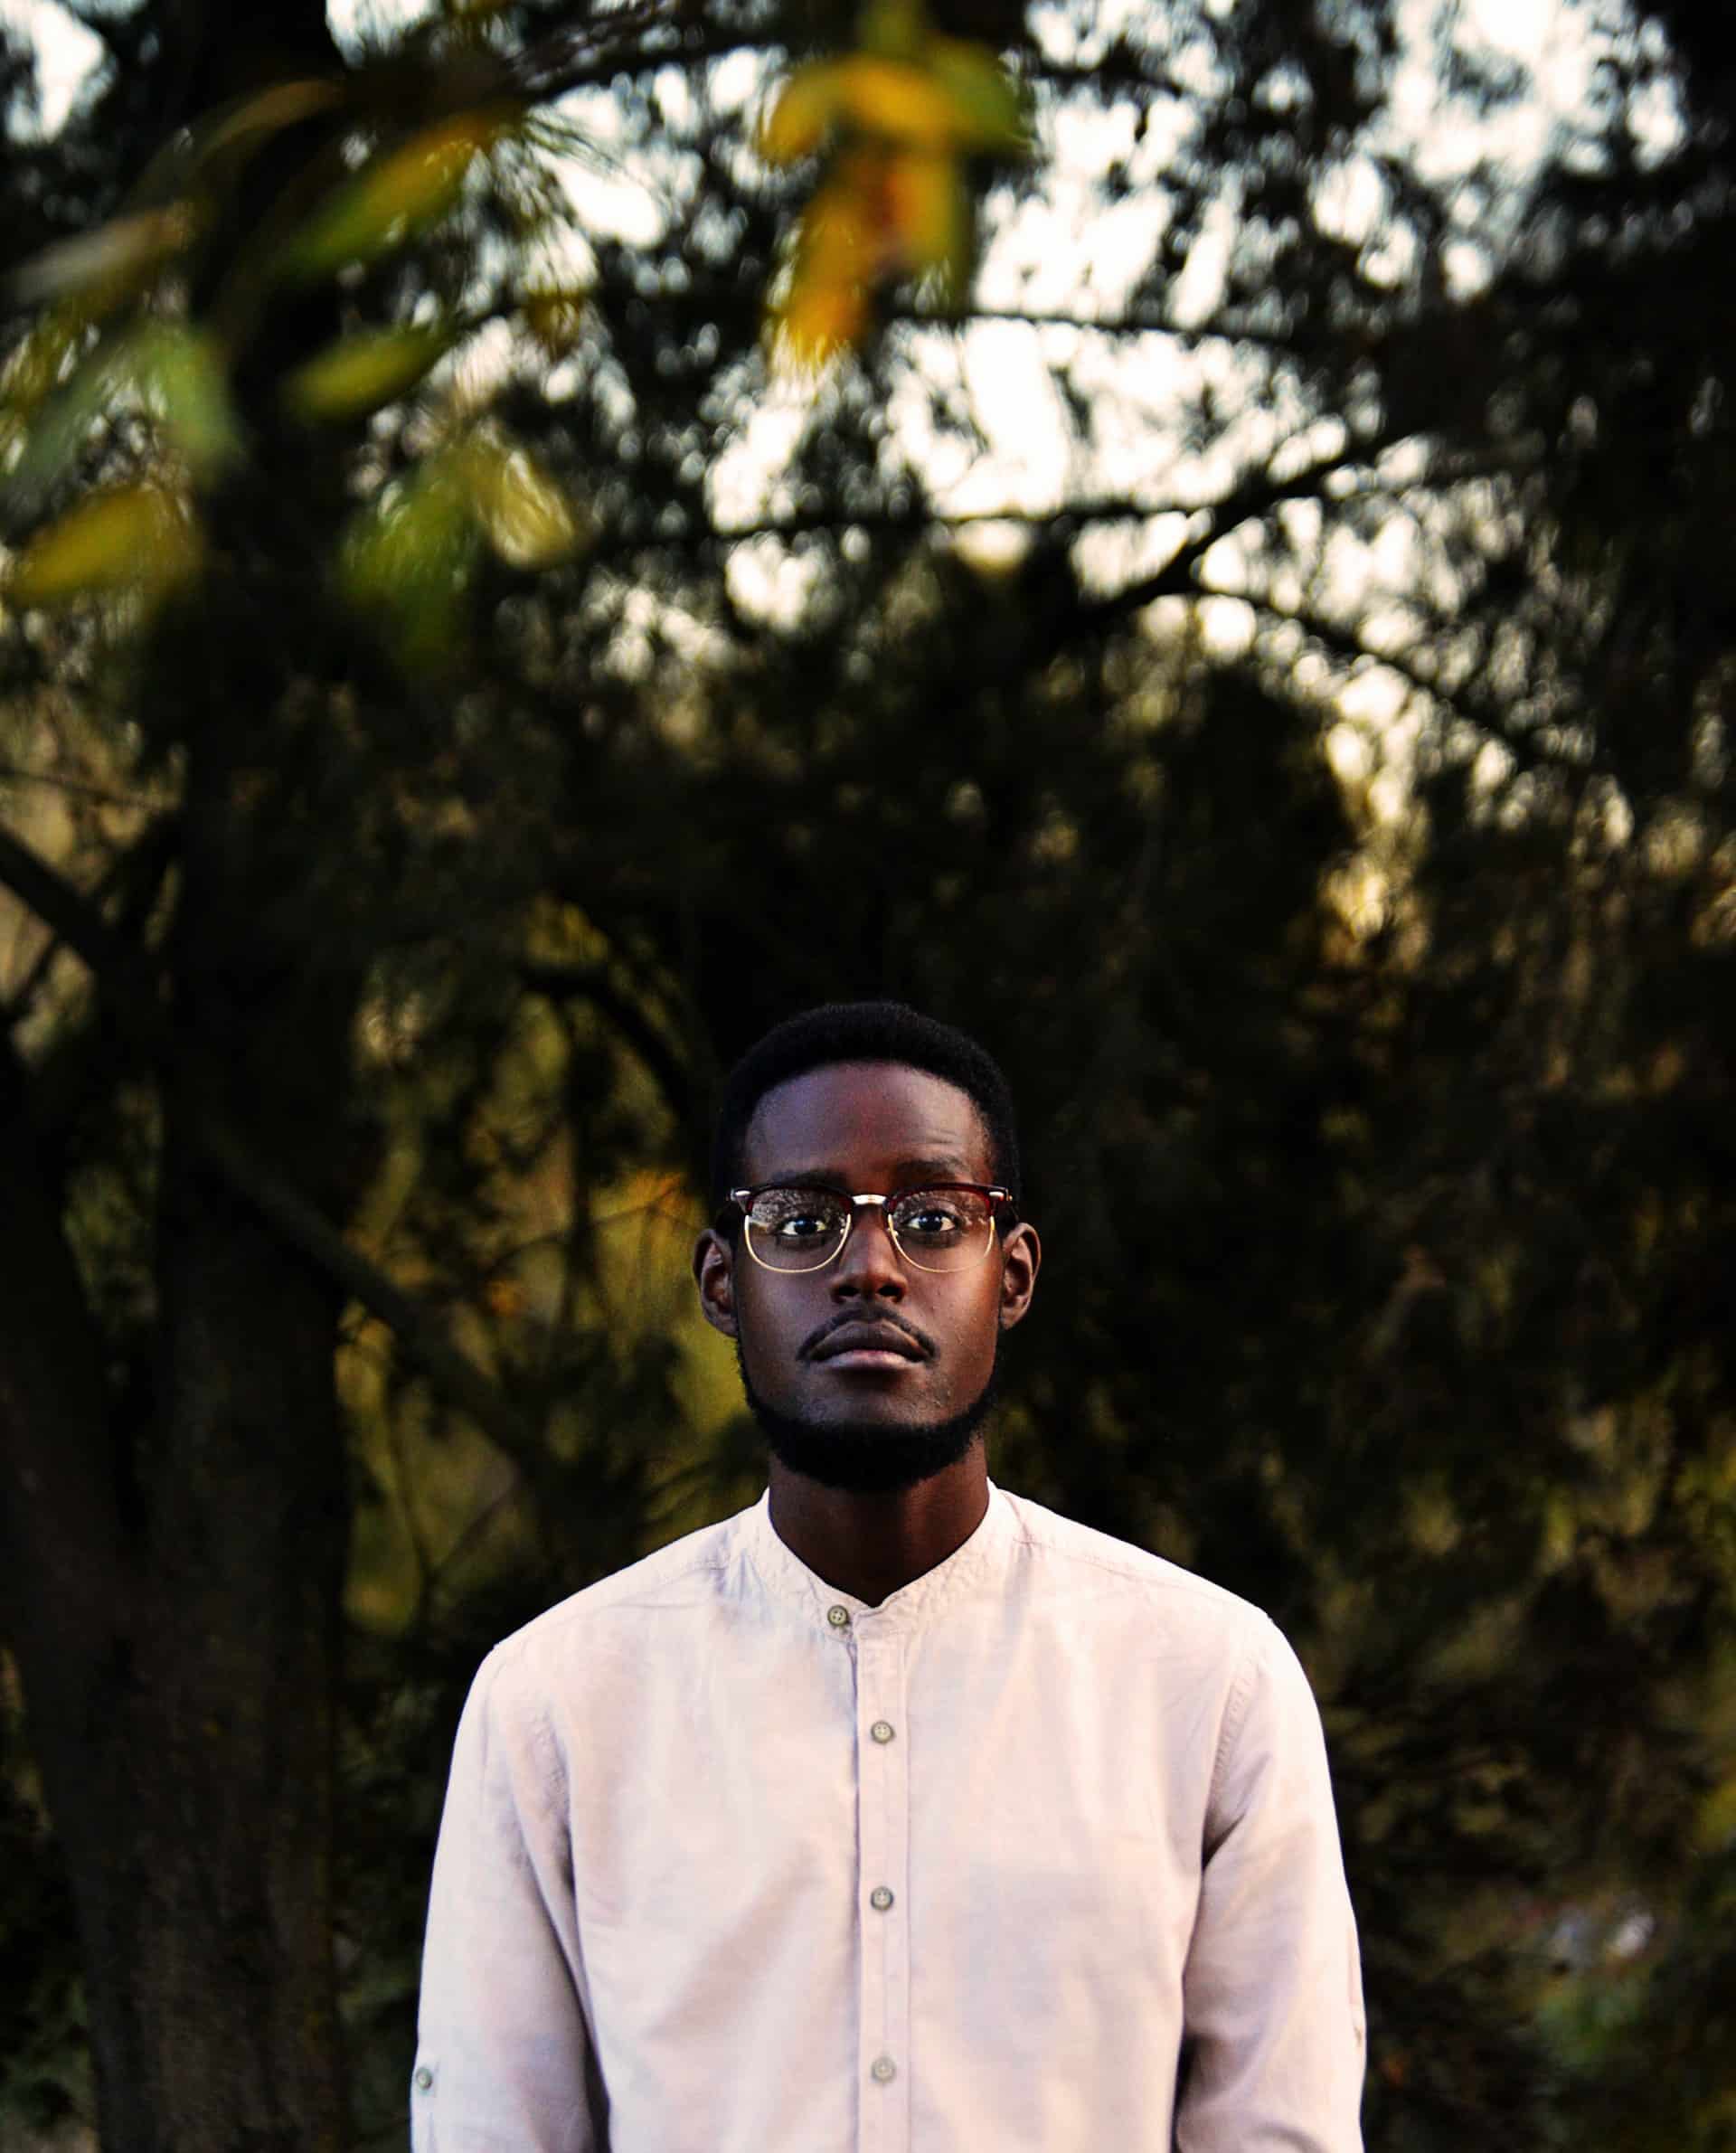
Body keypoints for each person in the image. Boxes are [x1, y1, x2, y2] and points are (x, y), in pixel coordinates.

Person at [412, 1000, 1365, 2151]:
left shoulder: (1210, 1684)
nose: (870, 1266)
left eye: (931, 1214)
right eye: (803, 1218)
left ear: (1011, 1276)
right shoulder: (555, 1704)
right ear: (723, 1282)